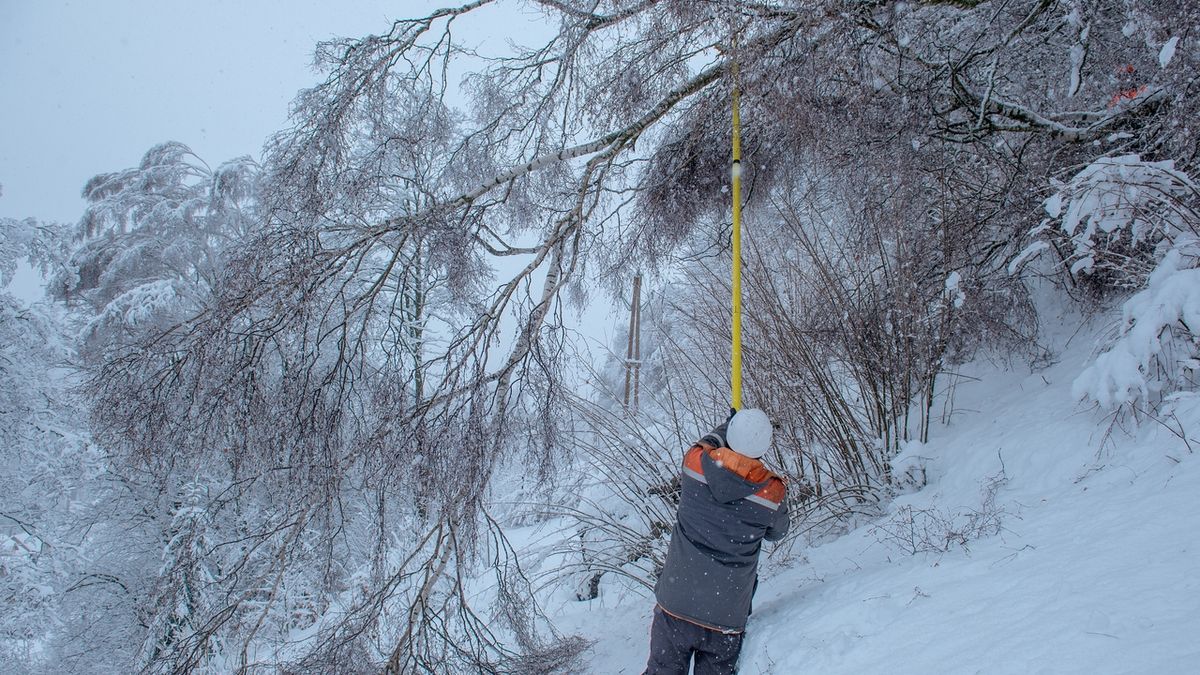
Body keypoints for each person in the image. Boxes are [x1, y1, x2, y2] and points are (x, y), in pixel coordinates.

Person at [644, 408, 789, 675]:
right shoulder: (772, 493)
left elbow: (707, 443)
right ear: (765, 445)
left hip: (676, 604)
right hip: (726, 615)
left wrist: (726, 426)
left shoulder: (695, 464)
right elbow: (778, 532)